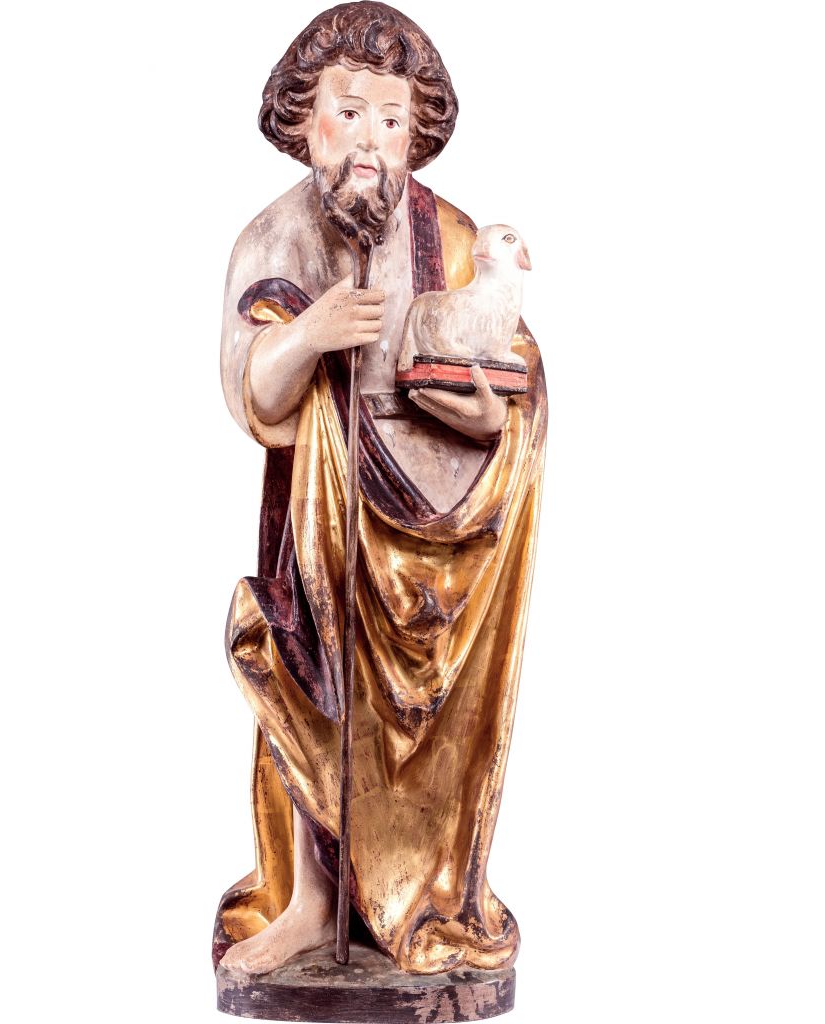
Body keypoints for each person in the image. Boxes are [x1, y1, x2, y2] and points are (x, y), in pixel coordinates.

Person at [214, 2, 547, 978]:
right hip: (325, 522)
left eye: (391, 120)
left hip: (444, 540)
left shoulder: (452, 234)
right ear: (304, 119)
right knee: (308, 684)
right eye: (349, 112)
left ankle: (424, 890)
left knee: (431, 726)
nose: (370, 141)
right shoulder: (275, 237)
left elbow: (518, 368)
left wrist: (494, 418)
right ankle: (313, 907)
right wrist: (309, 335)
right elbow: (251, 389)